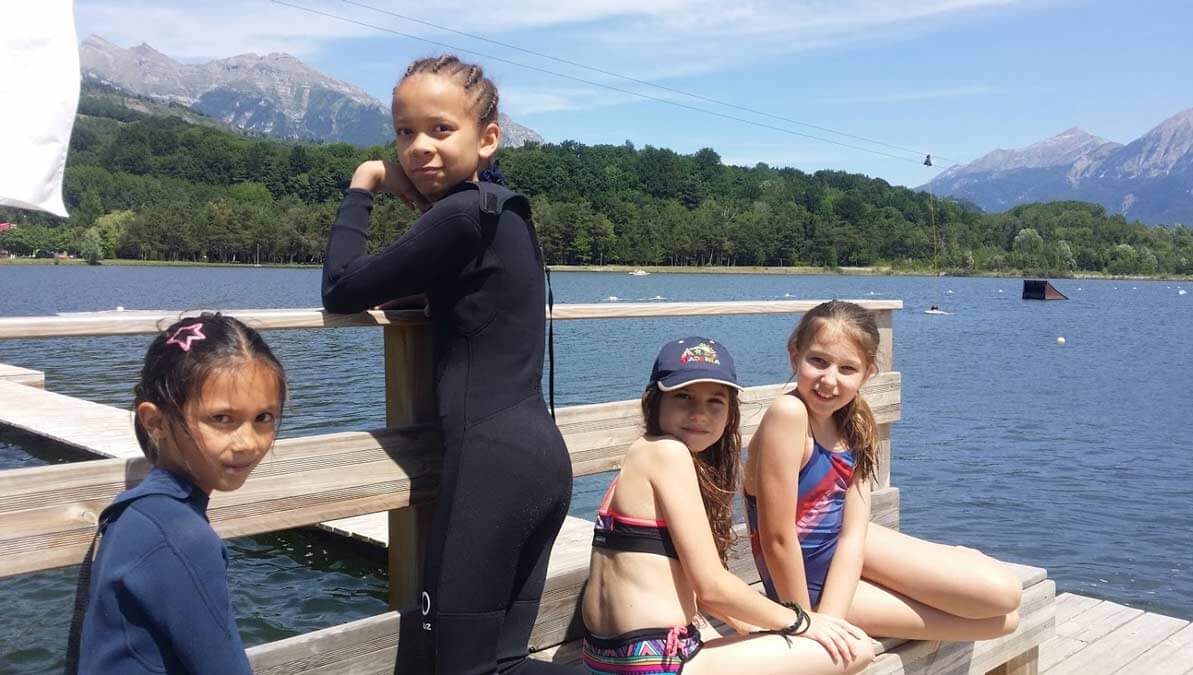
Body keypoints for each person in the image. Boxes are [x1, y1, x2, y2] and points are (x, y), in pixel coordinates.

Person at [321, 55, 573, 674]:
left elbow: (340, 288)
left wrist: (364, 182)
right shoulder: (498, 211)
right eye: (404, 133)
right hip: (539, 460)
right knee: (505, 663)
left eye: (440, 129)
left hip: (491, 468)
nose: (418, 147)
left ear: (487, 138)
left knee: (461, 667)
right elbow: (450, 295)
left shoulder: (460, 216)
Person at [581, 336, 874, 675]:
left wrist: (753, 624)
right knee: (857, 647)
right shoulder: (668, 454)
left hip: (608, 658)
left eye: (715, 402)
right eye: (683, 396)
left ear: (730, 413)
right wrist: (801, 621)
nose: (699, 413)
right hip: (656, 663)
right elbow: (712, 588)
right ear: (654, 402)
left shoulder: (641, 454)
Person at [744, 301, 1022, 641]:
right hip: (803, 585)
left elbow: (853, 535)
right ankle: (950, 565)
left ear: (867, 373)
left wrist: (831, 616)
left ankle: (955, 560)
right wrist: (811, 623)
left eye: (848, 368)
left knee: (1006, 594)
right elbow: (777, 538)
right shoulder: (788, 414)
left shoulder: (854, 422)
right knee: (1003, 622)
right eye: (818, 361)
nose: (829, 380)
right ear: (794, 356)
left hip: (849, 552)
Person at [70, 313, 287, 674]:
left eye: (263, 417)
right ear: (155, 422)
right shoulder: (180, 537)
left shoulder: (140, 511)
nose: (248, 443)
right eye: (222, 419)